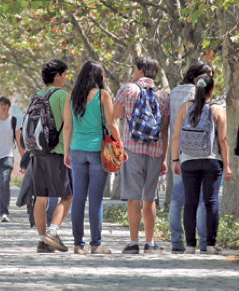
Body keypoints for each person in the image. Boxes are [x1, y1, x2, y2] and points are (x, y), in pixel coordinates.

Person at [110, 57, 171, 254]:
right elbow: (164, 130)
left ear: (141, 70)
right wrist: (164, 158)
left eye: (135, 69)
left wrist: (117, 144)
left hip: (132, 149)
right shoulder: (162, 96)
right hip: (154, 151)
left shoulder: (128, 89)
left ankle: (134, 242)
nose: (133, 73)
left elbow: (113, 115)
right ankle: (150, 243)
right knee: (150, 198)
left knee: (133, 198)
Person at [170, 74, 232, 255]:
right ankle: (210, 245)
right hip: (212, 160)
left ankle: (190, 245)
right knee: (211, 201)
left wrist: (175, 160)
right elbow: (223, 140)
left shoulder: (185, 107)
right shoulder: (218, 109)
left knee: (190, 202)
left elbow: (176, 137)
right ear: (212, 90)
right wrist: (227, 165)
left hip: (188, 161)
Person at [62, 61, 118, 254]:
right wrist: (120, 146)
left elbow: (67, 126)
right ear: (98, 76)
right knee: (95, 199)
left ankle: (78, 244)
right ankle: (96, 244)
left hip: (77, 150)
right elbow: (112, 124)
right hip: (97, 151)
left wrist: (67, 151)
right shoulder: (103, 96)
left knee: (78, 197)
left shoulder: (72, 96)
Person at [167, 61, 213, 254]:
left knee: (178, 198)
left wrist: (172, 157)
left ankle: (177, 240)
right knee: (200, 199)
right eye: (208, 75)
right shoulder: (194, 94)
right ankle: (202, 241)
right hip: (196, 151)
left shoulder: (174, 92)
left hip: (177, 150)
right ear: (197, 78)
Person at [32, 59, 74, 253]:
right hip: (57, 152)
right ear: (57, 76)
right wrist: (69, 150)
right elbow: (67, 124)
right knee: (67, 195)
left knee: (41, 197)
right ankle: (53, 231)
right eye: (65, 75)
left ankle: (42, 240)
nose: (65, 79)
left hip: (38, 151)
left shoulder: (37, 95)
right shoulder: (62, 95)